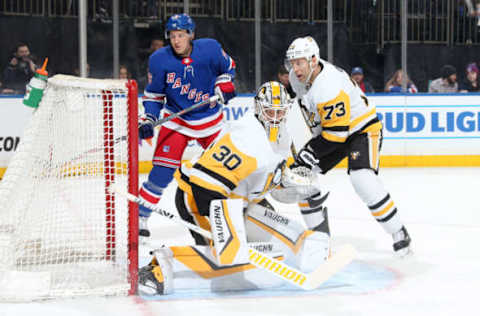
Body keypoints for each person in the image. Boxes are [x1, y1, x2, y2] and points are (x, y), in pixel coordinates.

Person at [138, 81, 332, 295]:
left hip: (237, 199)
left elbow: (270, 180)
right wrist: (229, 234)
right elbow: (205, 183)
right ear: (258, 109)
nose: (275, 118)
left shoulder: (282, 136)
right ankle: (160, 267)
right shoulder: (247, 137)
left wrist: (290, 185)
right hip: (197, 195)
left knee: (265, 236)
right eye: (269, 111)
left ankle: (308, 249)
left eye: (280, 112)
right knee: (228, 257)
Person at [284, 36, 412, 256]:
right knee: (300, 177)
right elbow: (308, 114)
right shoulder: (300, 79)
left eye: (299, 62)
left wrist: (309, 152)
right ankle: (319, 240)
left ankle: (399, 233)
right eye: (292, 63)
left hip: (361, 129)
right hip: (332, 131)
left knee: (362, 178)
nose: (295, 69)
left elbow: (337, 134)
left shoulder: (328, 85)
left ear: (313, 60)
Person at [138, 13, 237, 239]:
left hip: (211, 121)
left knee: (228, 169)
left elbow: (229, 67)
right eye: (172, 36)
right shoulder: (159, 60)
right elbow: (154, 96)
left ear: (191, 35)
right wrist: (149, 119)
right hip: (177, 122)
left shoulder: (210, 48)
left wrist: (225, 84)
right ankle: (140, 217)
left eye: (181, 35)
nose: (176, 40)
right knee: (161, 173)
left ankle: (237, 212)